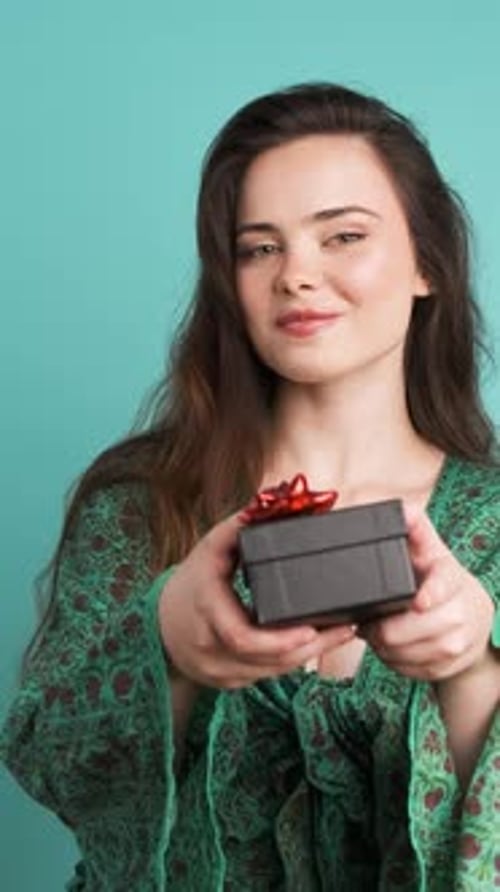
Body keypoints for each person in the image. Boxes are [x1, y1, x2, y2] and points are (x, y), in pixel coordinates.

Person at [1, 82, 499, 891]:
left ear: (427, 263)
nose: (298, 275)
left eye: (342, 236)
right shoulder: (141, 501)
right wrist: (167, 646)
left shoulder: (495, 526)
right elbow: (48, 763)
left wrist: (473, 667)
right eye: (258, 247)